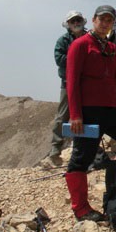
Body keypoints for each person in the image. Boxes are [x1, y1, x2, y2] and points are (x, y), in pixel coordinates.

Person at [64, 5, 116, 222]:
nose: (105, 23)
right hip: (88, 113)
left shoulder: (111, 48)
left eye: (109, 20)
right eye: (102, 19)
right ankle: (80, 208)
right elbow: (72, 82)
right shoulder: (80, 45)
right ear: (94, 19)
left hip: (110, 110)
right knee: (81, 158)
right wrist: (76, 114)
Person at [47, 10, 87, 165]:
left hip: (88, 83)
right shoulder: (63, 41)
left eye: (78, 20)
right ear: (68, 25)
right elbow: (59, 59)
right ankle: (55, 149)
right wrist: (78, 57)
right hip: (68, 83)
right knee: (63, 115)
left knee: (89, 113)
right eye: (73, 21)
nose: (76, 23)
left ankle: (89, 147)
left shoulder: (90, 37)